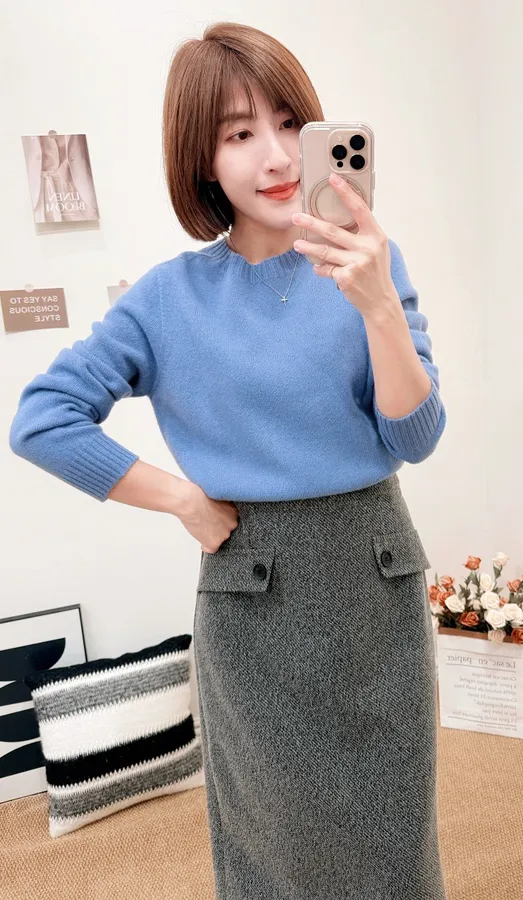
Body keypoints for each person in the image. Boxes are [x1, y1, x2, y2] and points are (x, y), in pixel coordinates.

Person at [9, 21, 448, 900]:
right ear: (203, 161)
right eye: (239, 133)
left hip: (376, 578)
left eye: (289, 124)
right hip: (254, 595)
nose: (276, 155)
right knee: (276, 841)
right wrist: (181, 499)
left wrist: (376, 307)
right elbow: (41, 420)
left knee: (395, 833)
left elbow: (415, 437)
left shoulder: (371, 262)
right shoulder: (169, 298)